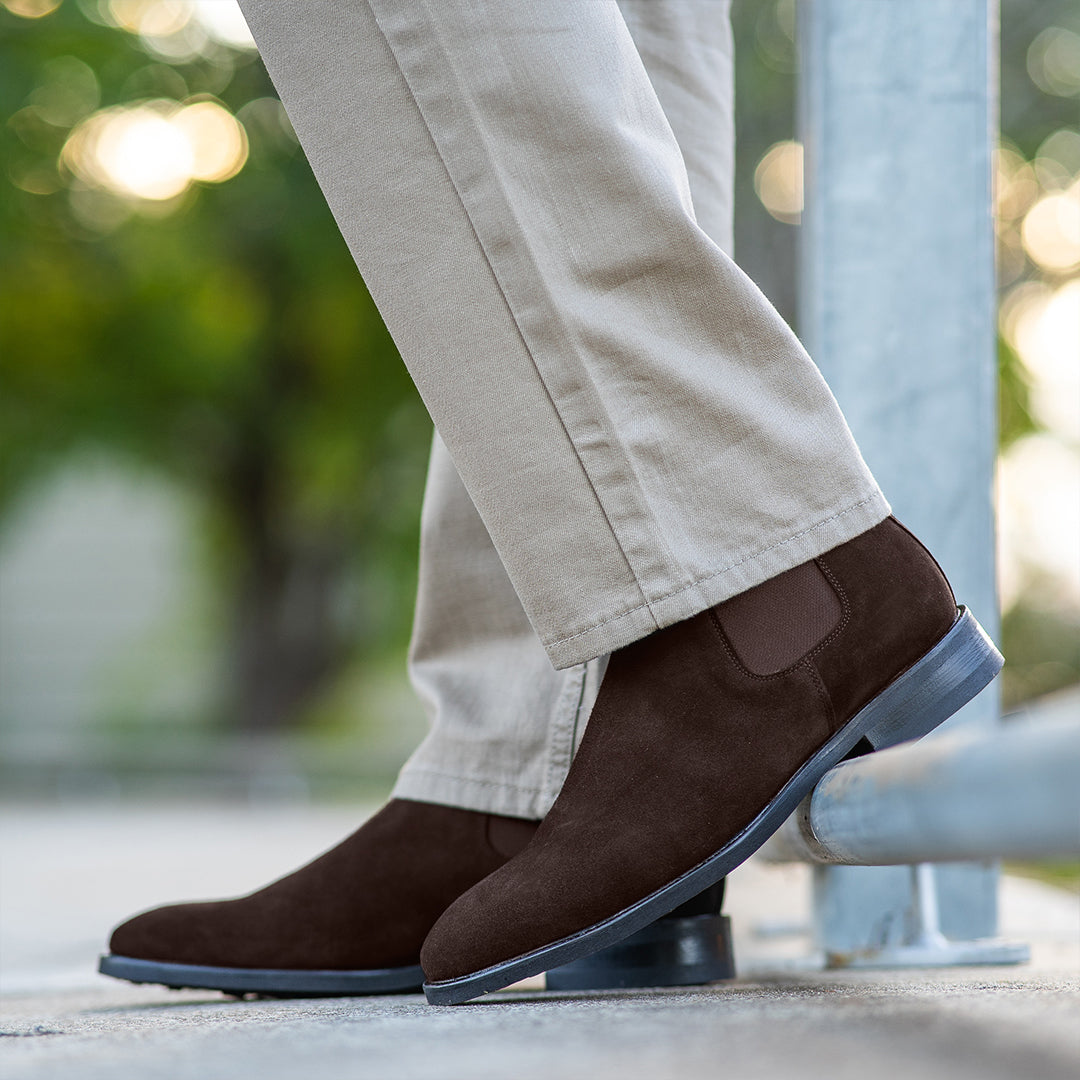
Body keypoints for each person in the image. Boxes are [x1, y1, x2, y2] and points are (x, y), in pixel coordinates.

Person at [100, 1, 1001, 1005]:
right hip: (583, 712)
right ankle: (536, 757)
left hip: (754, 575)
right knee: (629, 30)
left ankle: (751, 575)